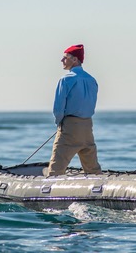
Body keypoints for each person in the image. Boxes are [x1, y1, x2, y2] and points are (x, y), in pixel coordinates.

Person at [47, 44, 103, 176]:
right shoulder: (92, 80)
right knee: (92, 169)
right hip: (87, 126)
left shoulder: (66, 79)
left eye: (65, 57)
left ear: (75, 60)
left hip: (69, 127)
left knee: (56, 168)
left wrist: (59, 124)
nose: (62, 60)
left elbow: (58, 109)